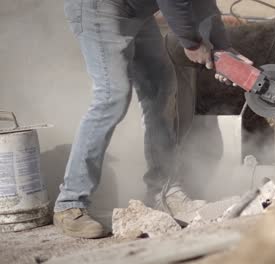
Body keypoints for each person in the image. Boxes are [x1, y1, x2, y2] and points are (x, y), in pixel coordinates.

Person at [53, 0, 250, 239]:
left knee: (160, 87)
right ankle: (70, 202)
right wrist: (192, 42)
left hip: (135, 10)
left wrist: (223, 48)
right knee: (111, 95)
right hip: (98, 7)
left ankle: (163, 191)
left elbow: (203, 3)